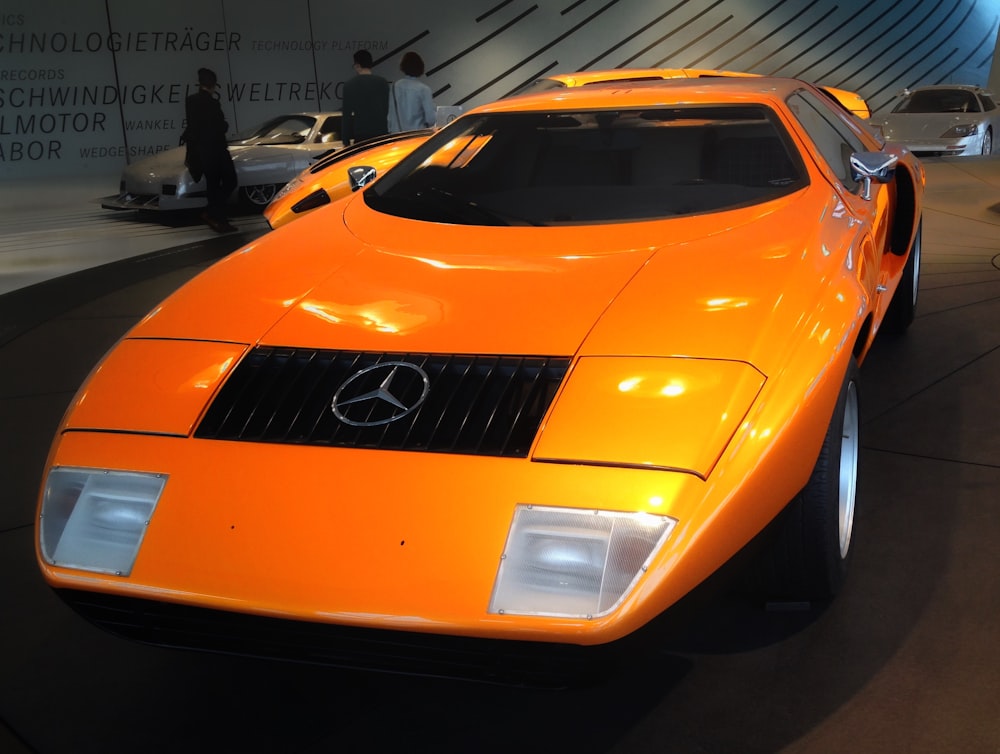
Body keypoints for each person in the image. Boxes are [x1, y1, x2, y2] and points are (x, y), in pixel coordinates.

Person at [183, 67, 237, 233]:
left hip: (202, 151)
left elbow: (195, 127)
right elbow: (220, 126)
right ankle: (215, 215)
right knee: (229, 181)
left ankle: (215, 215)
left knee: (213, 184)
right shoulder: (212, 103)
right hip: (217, 149)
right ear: (213, 85)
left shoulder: (191, 101)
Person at [341, 49, 389, 145]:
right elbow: (386, 109)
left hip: (361, 134)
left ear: (357, 65)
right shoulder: (382, 82)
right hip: (381, 133)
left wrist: (345, 141)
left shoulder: (349, 85)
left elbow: (347, 115)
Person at [388, 51, 436, 133]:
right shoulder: (424, 89)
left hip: (397, 136)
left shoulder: (394, 86)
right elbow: (430, 119)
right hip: (417, 136)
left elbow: (391, 116)